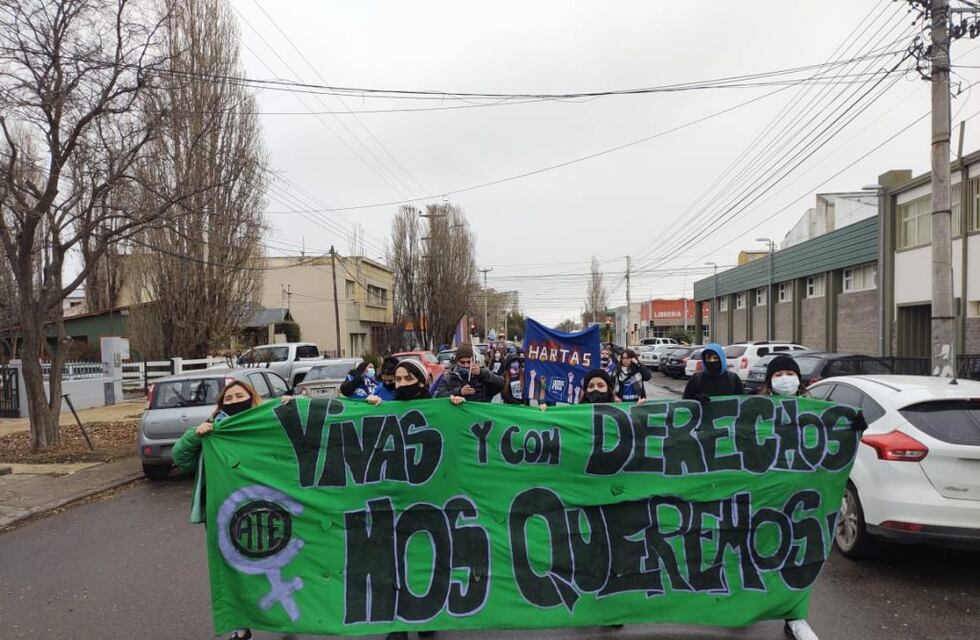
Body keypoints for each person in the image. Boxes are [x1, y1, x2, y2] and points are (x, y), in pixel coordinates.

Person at [172, 380, 262, 640]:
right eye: (229, 398)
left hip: (266, 507)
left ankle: (284, 616)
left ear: (252, 397)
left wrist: (291, 404)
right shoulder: (213, 430)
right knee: (232, 569)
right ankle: (241, 628)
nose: (234, 401)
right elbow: (181, 458)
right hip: (225, 511)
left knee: (275, 564)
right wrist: (194, 435)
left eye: (239, 395)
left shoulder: (267, 425)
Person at [755, 354, 817, 640]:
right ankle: (740, 606)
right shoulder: (756, 409)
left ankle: (796, 616)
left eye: (788, 373)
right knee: (752, 555)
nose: (784, 379)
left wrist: (853, 426)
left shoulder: (816, 410)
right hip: (763, 497)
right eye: (777, 374)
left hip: (800, 497)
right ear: (769, 380)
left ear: (798, 378)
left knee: (798, 557)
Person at [434, 342, 504, 404]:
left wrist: (481, 373)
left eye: (469, 362)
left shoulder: (481, 376)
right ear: (456, 362)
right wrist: (459, 392)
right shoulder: (448, 378)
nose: (466, 365)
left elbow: (501, 384)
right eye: (462, 362)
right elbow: (438, 396)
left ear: (473, 361)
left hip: (479, 416)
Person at [367, 359, 432, 406]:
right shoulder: (393, 404)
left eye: (408, 379)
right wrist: (376, 405)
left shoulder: (434, 406)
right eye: (398, 379)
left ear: (421, 382)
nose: (402, 383)